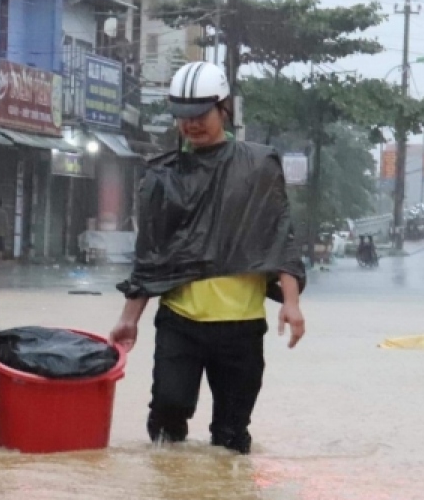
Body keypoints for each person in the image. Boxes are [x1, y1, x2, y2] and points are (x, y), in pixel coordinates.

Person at [108, 62, 307, 455]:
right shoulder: (162, 176)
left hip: (242, 326)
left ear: (224, 108)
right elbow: (151, 256)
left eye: (200, 115)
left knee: (232, 436)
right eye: (182, 117)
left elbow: (279, 234)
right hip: (180, 322)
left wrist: (292, 303)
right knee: (167, 414)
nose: (191, 125)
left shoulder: (258, 166)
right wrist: (129, 319)